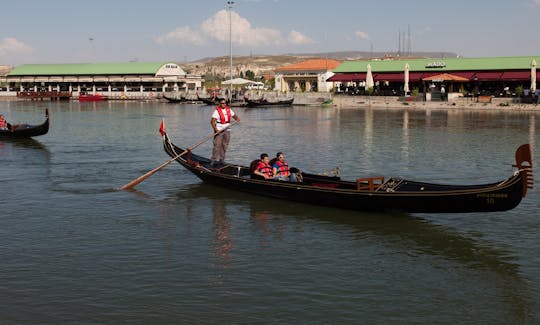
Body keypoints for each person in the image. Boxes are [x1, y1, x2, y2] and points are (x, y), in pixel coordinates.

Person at [210, 100, 240, 166]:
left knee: (224, 145)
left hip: (227, 129)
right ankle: (213, 160)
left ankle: (222, 160)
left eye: (225, 103)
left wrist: (237, 118)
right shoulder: (216, 111)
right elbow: (212, 122)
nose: (223, 104)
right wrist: (216, 129)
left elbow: (234, 116)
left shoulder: (229, 110)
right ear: (220, 104)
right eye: (222, 103)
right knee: (217, 145)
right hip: (219, 130)